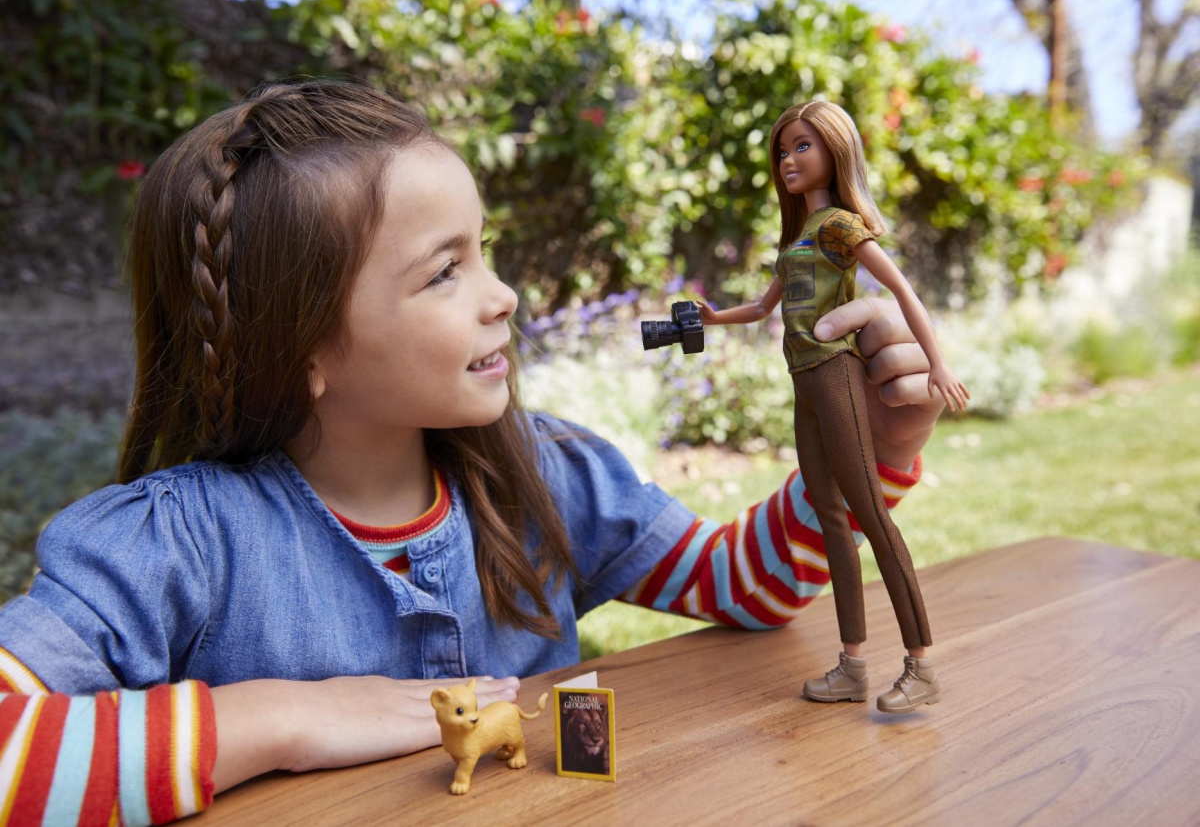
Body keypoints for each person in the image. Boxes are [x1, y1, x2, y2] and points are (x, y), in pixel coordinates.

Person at [0, 81, 944, 825]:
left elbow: (747, 585)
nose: (506, 297)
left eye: (484, 251)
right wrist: (278, 719)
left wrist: (882, 448)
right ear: (302, 349)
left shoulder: (547, 475)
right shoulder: (175, 547)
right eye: (445, 271)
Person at [697, 100, 969, 715]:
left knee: (870, 511)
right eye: (784, 149)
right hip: (804, 384)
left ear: (834, 152)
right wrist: (717, 318)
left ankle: (921, 665)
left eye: (803, 146)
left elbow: (900, 288)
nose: (790, 159)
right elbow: (766, 308)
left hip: (837, 373)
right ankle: (851, 666)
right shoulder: (799, 235)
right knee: (830, 515)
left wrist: (939, 362)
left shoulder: (842, 226)